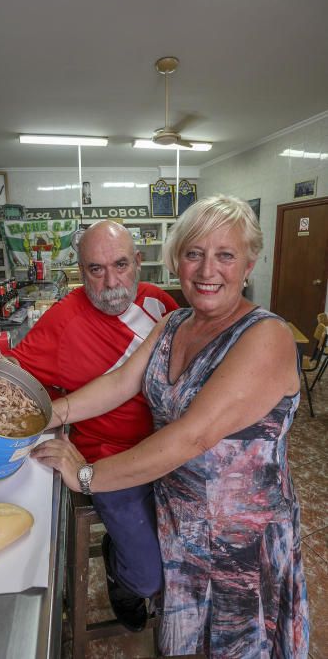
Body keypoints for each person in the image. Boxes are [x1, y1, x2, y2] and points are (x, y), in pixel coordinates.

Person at [32, 196, 310, 658]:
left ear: (249, 264)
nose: (207, 270)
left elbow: (194, 436)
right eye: (194, 253)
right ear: (175, 259)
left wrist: (86, 475)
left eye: (225, 255)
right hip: (179, 521)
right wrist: (50, 416)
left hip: (240, 541)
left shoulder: (268, 336)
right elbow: (121, 382)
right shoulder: (174, 321)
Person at [0, 220, 178, 632]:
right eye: (96, 269)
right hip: (109, 460)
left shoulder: (160, 304)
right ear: (80, 272)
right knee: (148, 577)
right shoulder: (62, 320)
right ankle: (121, 572)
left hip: (170, 450)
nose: (112, 282)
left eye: (121, 264)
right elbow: (14, 378)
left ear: (139, 262)